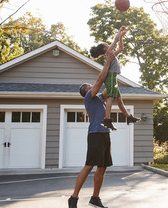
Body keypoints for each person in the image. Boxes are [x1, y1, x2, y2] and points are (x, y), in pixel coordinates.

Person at [67, 31, 121, 208]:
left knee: (102, 167)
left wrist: (113, 61)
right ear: (86, 91)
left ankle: (95, 197)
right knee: (89, 165)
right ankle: (74, 197)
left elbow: (108, 86)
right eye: (88, 86)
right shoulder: (89, 97)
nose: (91, 85)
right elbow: (99, 80)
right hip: (96, 134)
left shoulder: (99, 98)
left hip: (104, 134)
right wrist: (106, 61)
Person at [90, 26, 140, 130]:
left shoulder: (111, 55)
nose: (109, 45)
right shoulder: (108, 52)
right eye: (107, 45)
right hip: (111, 77)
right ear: (105, 48)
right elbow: (115, 40)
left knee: (119, 99)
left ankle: (128, 117)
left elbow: (121, 48)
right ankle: (107, 119)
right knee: (110, 98)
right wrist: (120, 31)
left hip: (114, 77)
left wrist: (121, 37)